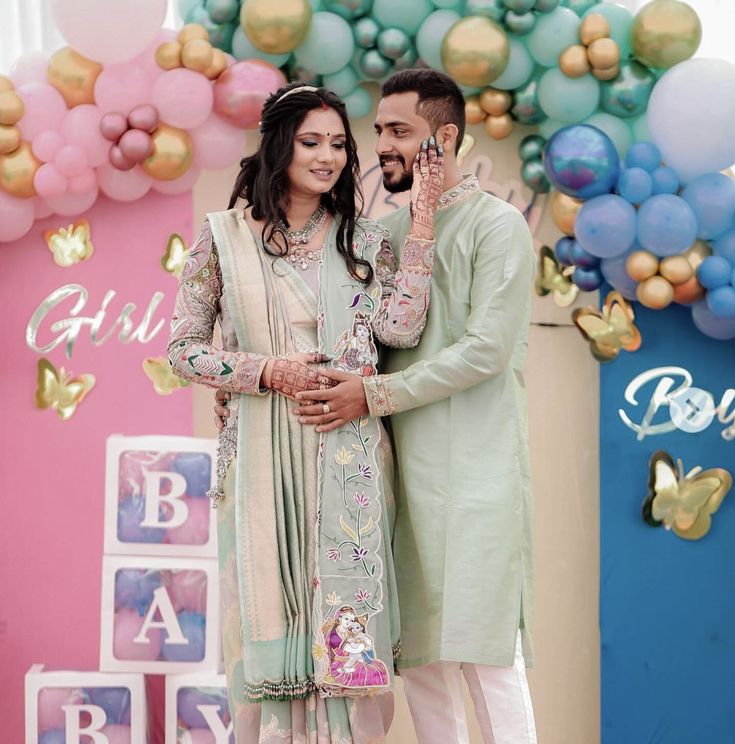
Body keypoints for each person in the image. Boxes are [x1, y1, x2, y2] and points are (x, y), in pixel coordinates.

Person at [168, 82, 443, 744]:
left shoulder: (364, 240)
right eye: (311, 142)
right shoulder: (222, 238)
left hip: (347, 454)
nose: (328, 157)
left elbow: (401, 329)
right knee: (271, 622)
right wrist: (267, 371)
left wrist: (425, 216)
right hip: (262, 453)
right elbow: (181, 351)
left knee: (348, 635)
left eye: (340, 145)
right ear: (278, 145)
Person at [288, 70, 538, 744]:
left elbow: (485, 349)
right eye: (379, 133)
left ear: (444, 135)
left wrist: (372, 395)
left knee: (488, 658)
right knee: (421, 662)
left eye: (399, 131)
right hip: (394, 483)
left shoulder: (497, 227)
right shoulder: (383, 234)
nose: (383, 146)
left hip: (476, 477)